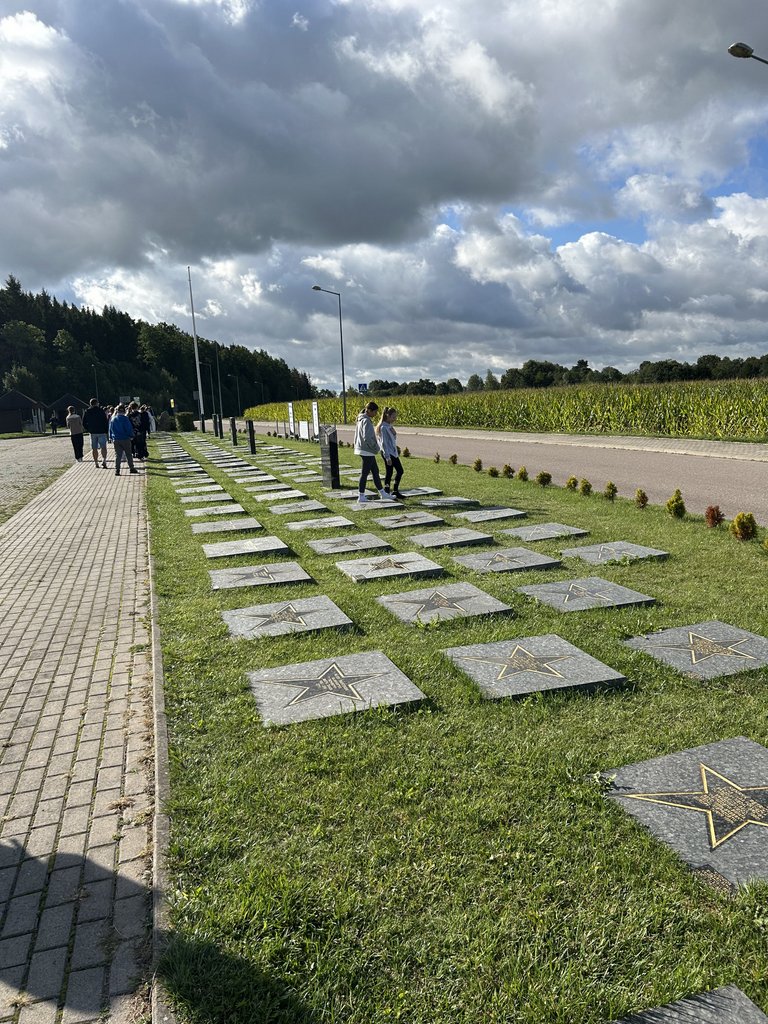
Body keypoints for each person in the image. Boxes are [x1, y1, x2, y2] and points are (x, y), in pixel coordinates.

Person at [353, 400, 395, 505]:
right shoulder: (366, 421)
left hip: (364, 449)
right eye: (375, 412)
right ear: (369, 410)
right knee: (364, 473)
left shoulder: (361, 419)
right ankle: (361, 496)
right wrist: (375, 447)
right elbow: (367, 438)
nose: (376, 414)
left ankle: (382, 493)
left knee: (375, 471)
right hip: (367, 450)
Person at [376, 406, 405, 499]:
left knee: (392, 472)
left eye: (395, 417)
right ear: (387, 416)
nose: (394, 419)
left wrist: (394, 434)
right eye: (393, 417)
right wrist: (387, 457)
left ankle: (392, 491)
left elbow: (392, 440)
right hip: (388, 453)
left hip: (392, 452)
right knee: (397, 471)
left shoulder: (389, 426)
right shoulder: (384, 427)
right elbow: (384, 443)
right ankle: (388, 491)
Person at [109, 404, 138, 475]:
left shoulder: (113, 419)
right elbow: (128, 428)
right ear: (124, 411)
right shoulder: (125, 419)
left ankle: (117, 470)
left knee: (118, 455)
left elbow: (110, 429)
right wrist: (131, 435)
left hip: (116, 439)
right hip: (125, 438)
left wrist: (111, 437)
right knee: (128, 454)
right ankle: (131, 468)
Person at [82, 398, 109, 468]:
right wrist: (106, 431)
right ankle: (104, 460)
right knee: (103, 447)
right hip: (101, 431)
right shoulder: (101, 411)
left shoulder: (87, 411)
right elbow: (105, 421)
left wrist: (88, 429)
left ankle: (96, 462)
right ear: (97, 403)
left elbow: (84, 422)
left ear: (90, 404)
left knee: (94, 448)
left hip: (93, 432)